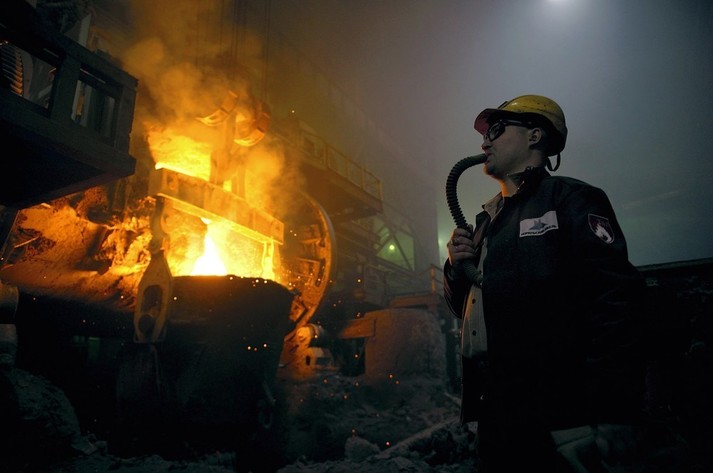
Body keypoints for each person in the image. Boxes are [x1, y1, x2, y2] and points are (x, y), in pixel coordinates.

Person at [443, 95, 647, 472]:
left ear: (535, 135)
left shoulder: (570, 199)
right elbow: (467, 310)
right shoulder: (485, 222)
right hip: (499, 415)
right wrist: (456, 268)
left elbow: (617, 301)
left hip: (563, 417)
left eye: (496, 130)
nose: (484, 142)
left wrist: (613, 410)